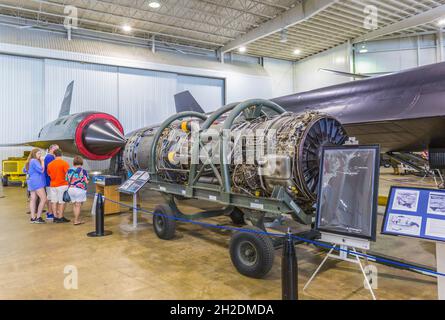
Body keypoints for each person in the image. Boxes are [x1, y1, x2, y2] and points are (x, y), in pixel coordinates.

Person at [47, 149, 70, 223]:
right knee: (61, 202)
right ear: (61, 154)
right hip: (62, 185)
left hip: (53, 185)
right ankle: (60, 217)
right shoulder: (64, 163)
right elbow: (68, 175)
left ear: (54, 155)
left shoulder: (50, 164)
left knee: (54, 201)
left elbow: (49, 174)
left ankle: (55, 217)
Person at [24, 148, 47, 224]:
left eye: (40, 154)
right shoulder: (34, 161)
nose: (40, 155)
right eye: (38, 154)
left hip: (31, 182)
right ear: (34, 154)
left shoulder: (29, 161)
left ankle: (33, 217)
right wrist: (43, 161)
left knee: (33, 199)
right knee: (43, 199)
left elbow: (24, 170)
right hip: (37, 182)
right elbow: (41, 170)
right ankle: (38, 217)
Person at [66, 156, 89, 225]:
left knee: (74, 205)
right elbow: (86, 181)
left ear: (74, 162)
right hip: (79, 190)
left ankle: (77, 219)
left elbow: (67, 180)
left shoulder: (69, 170)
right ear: (81, 162)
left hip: (71, 189)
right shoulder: (83, 171)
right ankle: (76, 221)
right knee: (78, 205)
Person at [44, 144, 59, 220]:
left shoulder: (50, 157)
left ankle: (50, 211)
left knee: (50, 197)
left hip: (50, 180)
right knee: (50, 198)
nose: (58, 151)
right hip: (50, 181)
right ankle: (50, 213)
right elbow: (51, 170)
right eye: (56, 149)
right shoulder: (49, 157)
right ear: (51, 149)